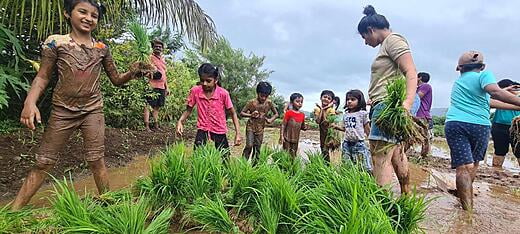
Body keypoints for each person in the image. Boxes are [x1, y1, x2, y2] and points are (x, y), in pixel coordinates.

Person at [12, 0, 146, 210]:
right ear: (67, 13)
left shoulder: (102, 49)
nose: (88, 18)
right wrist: (30, 102)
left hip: (93, 110)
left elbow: (116, 80)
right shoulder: (56, 43)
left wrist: (133, 72)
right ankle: (13, 212)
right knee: (44, 161)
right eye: (82, 12)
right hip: (62, 110)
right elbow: (43, 77)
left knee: (96, 159)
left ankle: (110, 207)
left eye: (94, 15)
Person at [445, 51, 520, 210]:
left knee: (464, 167)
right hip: (479, 126)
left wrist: (516, 105)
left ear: (459, 68)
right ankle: (467, 208)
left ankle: (466, 208)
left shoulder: (459, 83)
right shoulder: (484, 75)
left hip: (455, 123)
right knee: (473, 166)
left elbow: (490, 101)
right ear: (483, 66)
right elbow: (496, 92)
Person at [358, 5, 418, 194]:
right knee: (396, 153)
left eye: (364, 37)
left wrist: (407, 103)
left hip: (387, 106)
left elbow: (410, 71)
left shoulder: (393, 40)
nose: (365, 42)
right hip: (383, 103)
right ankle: (406, 197)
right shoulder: (387, 45)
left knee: (380, 156)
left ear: (371, 30)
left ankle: (380, 207)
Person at [176, 63, 242, 155]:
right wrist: (180, 121)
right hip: (202, 130)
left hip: (219, 131)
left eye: (208, 81)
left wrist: (238, 133)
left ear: (215, 80)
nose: (204, 84)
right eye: (202, 80)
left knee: (224, 159)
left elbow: (233, 113)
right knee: (198, 159)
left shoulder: (223, 94)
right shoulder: (196, 91)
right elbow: (188, 110)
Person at [332, 90, 372, 171]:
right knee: (347, 165)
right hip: (346, 143)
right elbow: (345, 128)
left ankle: (365, 180)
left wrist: (372, 142)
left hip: (358, 143)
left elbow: (367, 129)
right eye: (348, 99)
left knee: (363, 165)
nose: (349, 101)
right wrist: (336, 127)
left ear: (359, 101)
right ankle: (350, 179)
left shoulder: (362, 114)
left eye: (353, 99)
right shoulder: (346, 114)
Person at [240, 82, 279, 163]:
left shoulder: (269, 103)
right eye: (262, 96)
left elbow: (276, 114)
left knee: (257, 147)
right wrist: (251, 115)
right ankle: (243, 163)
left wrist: (270, 120)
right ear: (257, 93)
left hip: (260, 128)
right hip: (251, 127)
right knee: (249, 145)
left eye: (266, 96)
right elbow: (242, 113)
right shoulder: (252, 102)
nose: (264, 98)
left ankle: (255, 166)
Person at [490, 79, 520, 168]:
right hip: (499, 126)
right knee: (499, 151)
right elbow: (488, 99)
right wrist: (504, 91)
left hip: (517, 127)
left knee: (519, 152)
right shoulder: (500, 97)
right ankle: (496, 171)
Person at [143, 39, 169, 131]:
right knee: (148, 105)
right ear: (153, 48)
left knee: (157, 107)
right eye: (156, 46)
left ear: (162, 49)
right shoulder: (149, 58)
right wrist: (151, 75)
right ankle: (146, 126)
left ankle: (156, 125)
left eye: (160, 47)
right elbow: (144, 71)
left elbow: (164, 74)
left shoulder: (163, 59)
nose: (158, 48)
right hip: (152, 85)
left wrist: (167, 87)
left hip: (161, 86)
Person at [313, 90, 337, 162]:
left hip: (330, 134)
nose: (326, 99)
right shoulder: (317, 109)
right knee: (323, 149)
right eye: (325, 97)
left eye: (329, 98)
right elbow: (318, 121)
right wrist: (322, 110)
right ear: (321, 98)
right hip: (322, 133)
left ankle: (329, 166)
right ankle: (326, 166)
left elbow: (327, 122)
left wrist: (323, 109)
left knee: (329, 150)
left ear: (331, 101)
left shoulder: (331, 110)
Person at [416, 72, 433, 157]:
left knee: (424, 136)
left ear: (420, 78)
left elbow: (418, 96)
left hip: (422, 114)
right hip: (417, 114)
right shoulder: (418, 88)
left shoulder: (425, 86)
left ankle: (424, 156)